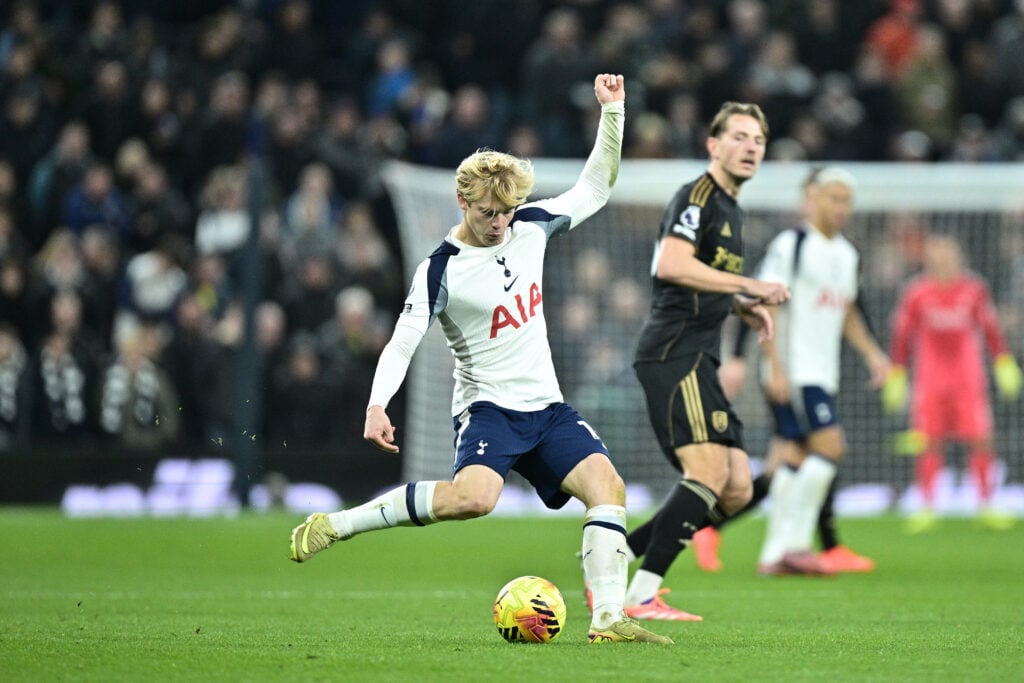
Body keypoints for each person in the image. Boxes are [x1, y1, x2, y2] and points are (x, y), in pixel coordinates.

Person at [288, 74, 672, 645]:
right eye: (489, 212)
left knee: (607, 487)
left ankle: (609, 619)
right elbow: (403, 339)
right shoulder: (441, 269)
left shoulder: (530, 226)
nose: (499, 223)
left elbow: (595, 188)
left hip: (547, 408)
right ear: (463, 202)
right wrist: (376, 405)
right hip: (488, 409)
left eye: (506, 211)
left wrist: (612, 113)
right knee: (474, 499)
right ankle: (338, 524)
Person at [621, 101, 790, 621]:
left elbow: (700, 278)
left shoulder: (732, 209)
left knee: (737, 487)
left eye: (758, 140)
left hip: (700, 356)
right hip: (674, 351)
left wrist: (739, 306)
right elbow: (672, 264)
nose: (750, 147)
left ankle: (610, 557)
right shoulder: (697, 196)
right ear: (713, 145)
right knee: (710, 471)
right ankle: (639, 595)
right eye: (738, 137)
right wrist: (749, 284)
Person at [746, 167, 890, 575]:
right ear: (814, 199)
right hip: (795, 370)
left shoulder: (847, 254)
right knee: (830, 446)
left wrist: (873, 354)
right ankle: (795, 545)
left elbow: (847, 311)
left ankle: (775, 555)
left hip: (822, 371)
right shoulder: (792, 244)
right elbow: (767, 304)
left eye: (847, 200)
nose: (841, 207)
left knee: (794, 455)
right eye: (834, 198)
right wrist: (773, 366)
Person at [883, 233, 1022, 532]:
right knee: (927, 441)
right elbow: (902, 334)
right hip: (930, 380)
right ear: (928, 259)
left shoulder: (974, 290)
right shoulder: (916, 292)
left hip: (968, 379)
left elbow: (990, 328)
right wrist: (897, 372)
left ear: (958, 256)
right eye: (937, 254)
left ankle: (986, 504)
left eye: (947, 254)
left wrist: (1003, 361)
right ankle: (927, 506)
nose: (943, 260)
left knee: (981, 439)